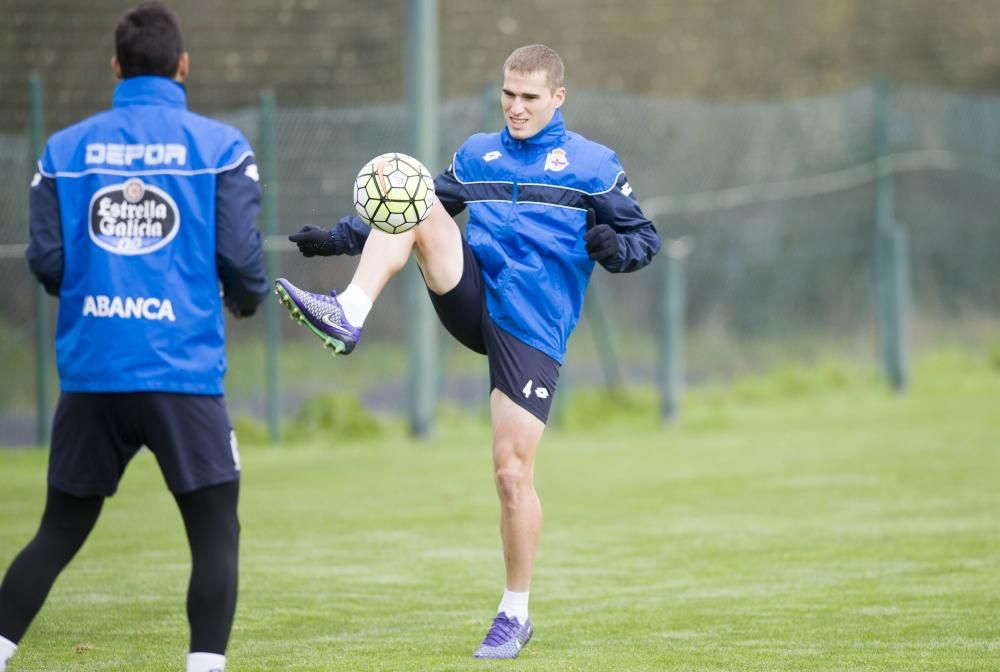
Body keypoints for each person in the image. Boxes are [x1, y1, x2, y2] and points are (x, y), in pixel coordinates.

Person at [275, 44, 660, 659]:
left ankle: (515, 612)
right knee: (414, 192)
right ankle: (348, 311)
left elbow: (644, 238)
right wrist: (340, 238)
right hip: (472, 292)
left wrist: (615, 248)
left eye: (531, 97)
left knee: (511, 474)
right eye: (509, 93)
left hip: (531, 327)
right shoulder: (477, 153)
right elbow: (408, 207)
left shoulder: (591, 165)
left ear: (558, 97)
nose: (516, 107)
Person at [0, 3, 267, 672]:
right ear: (183, 66)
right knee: (214, 535)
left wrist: (102, 296)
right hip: (182, 373)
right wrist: (244, 300)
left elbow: (48, 260)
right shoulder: (221, 147)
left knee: (57, 531)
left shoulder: (64, 149)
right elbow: (240, 257)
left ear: (116, 66)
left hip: (94, 372)